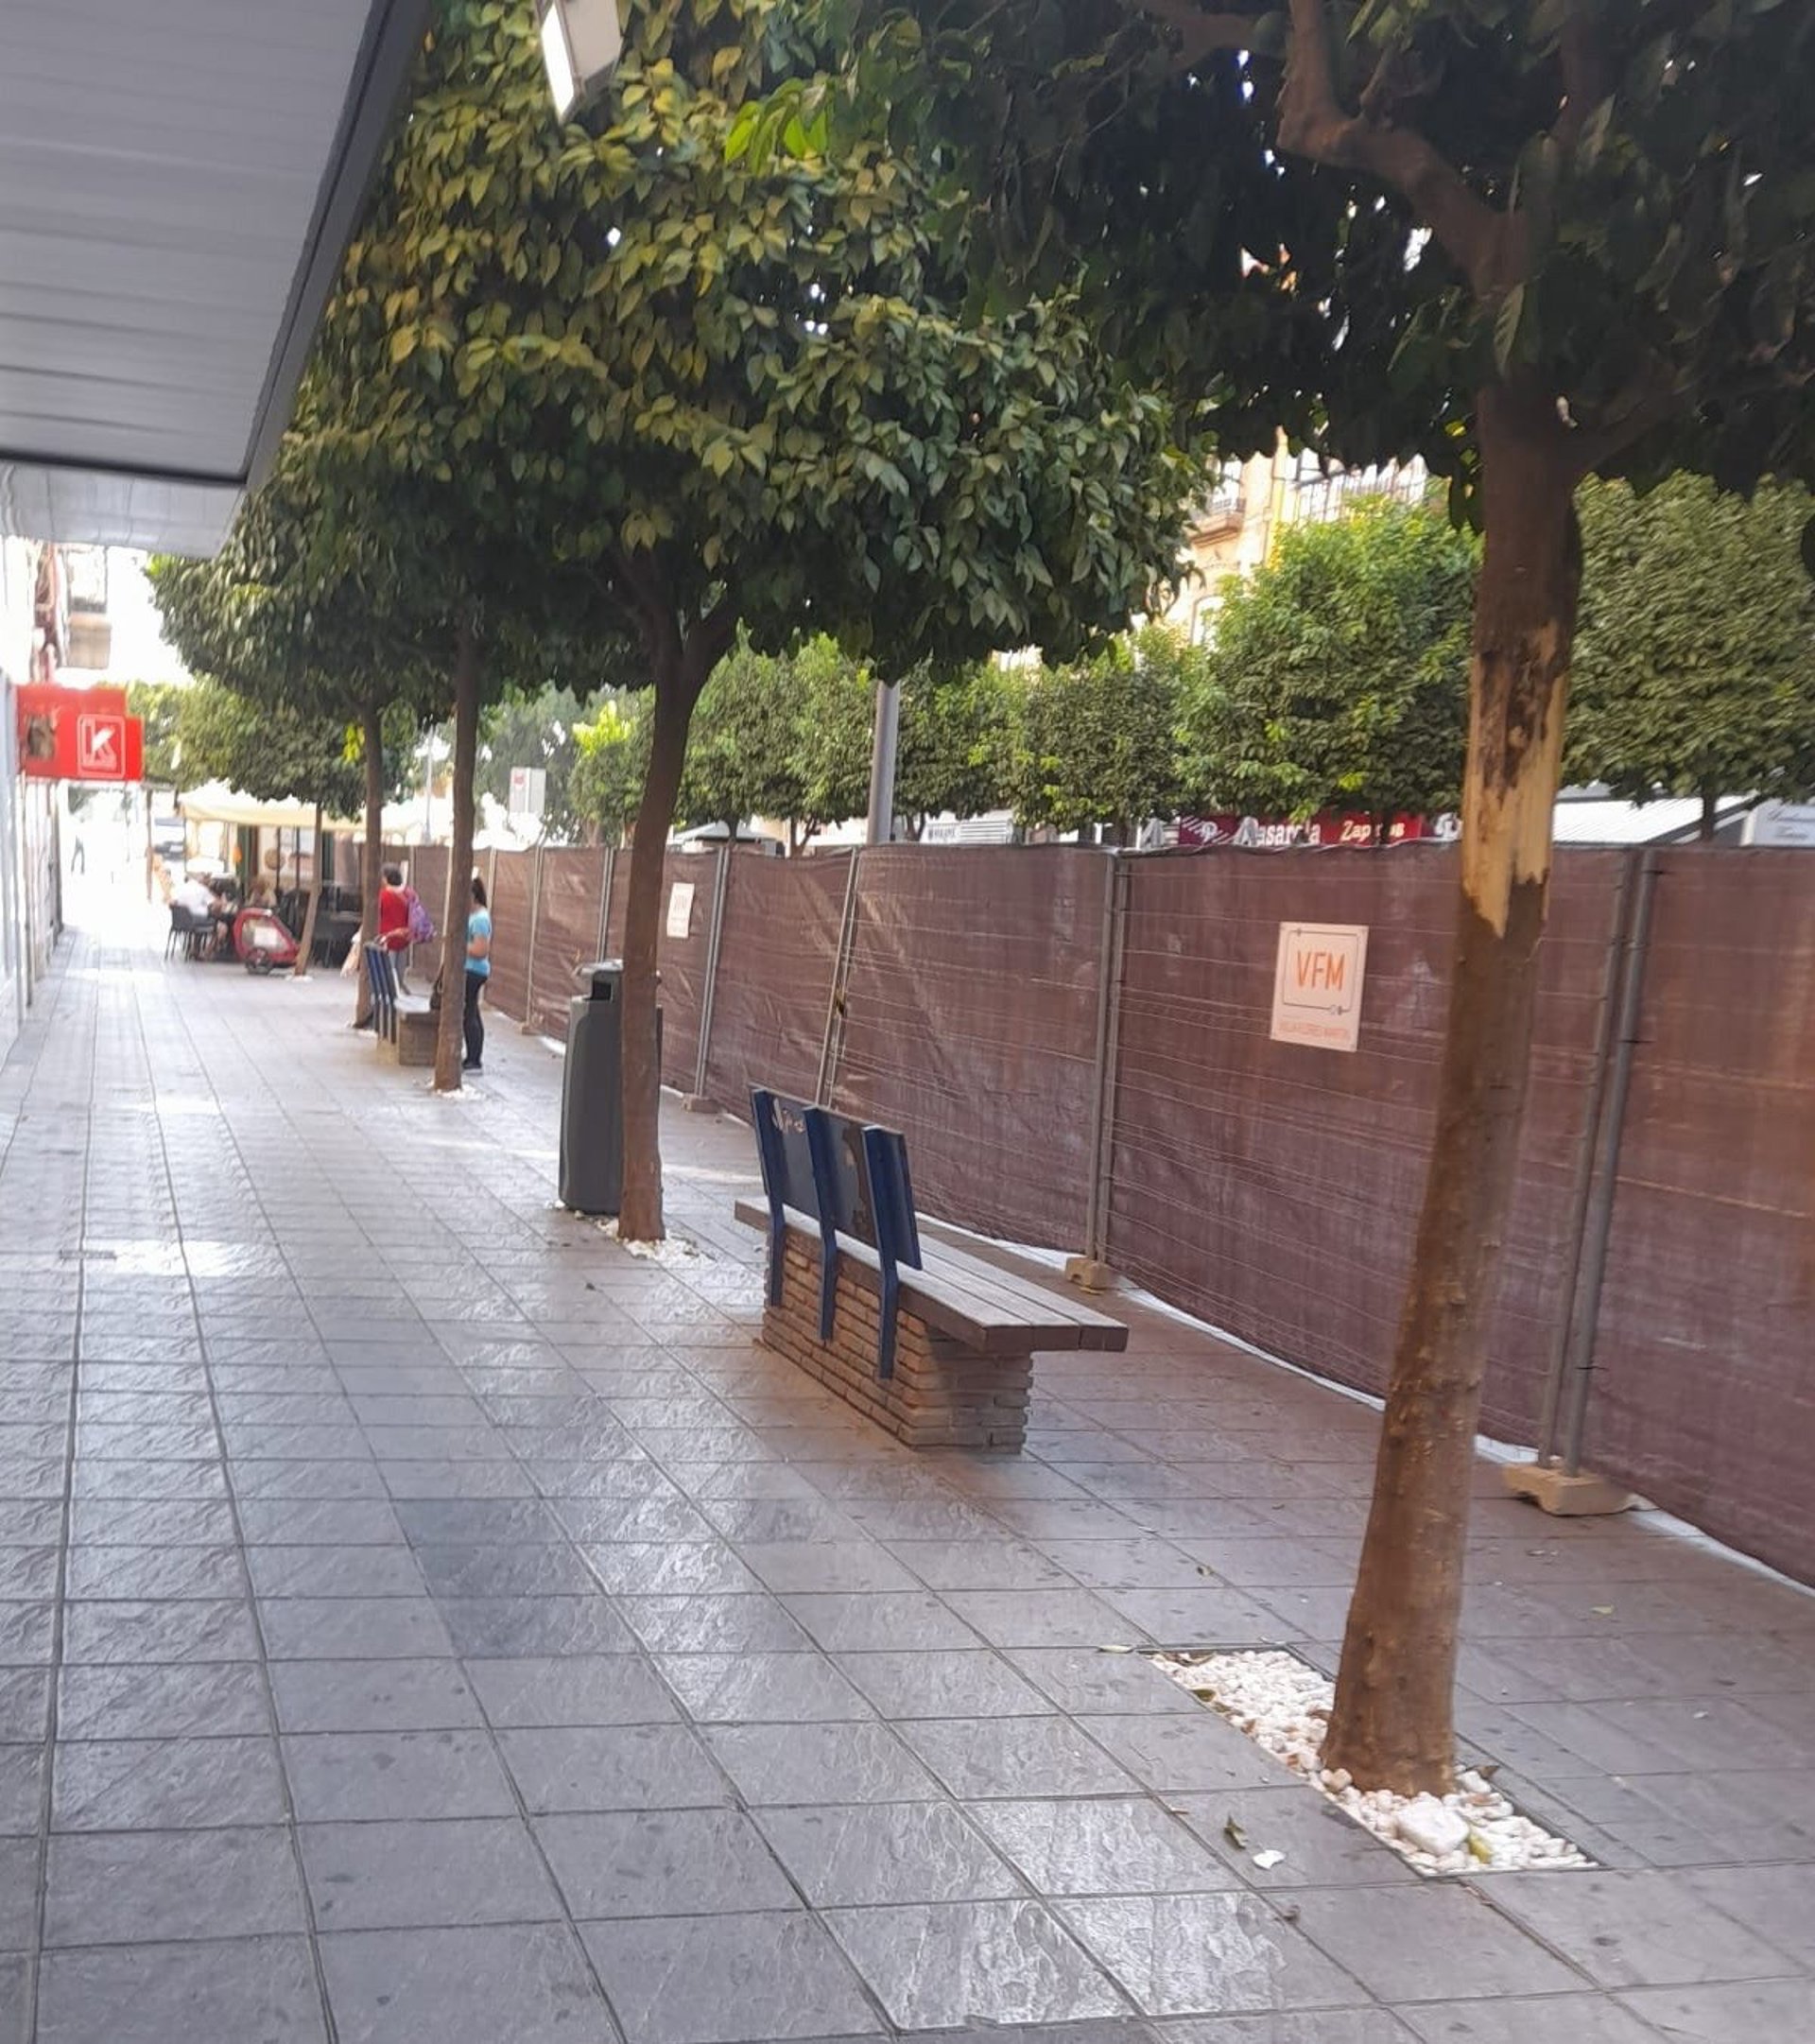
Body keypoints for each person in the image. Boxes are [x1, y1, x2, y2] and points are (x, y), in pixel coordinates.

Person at [462, 875, 492, 1073]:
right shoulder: (474, 915)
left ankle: (474, 1058)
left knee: (469, 1013)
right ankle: (473, 1056)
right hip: (469, 968)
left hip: (474, 970)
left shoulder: (480, 919)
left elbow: (481, 950)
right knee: (471, 1011)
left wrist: (459, 944)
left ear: (472, 895)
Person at [377, 863, 411, 991]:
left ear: (386, 878)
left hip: (387, 939)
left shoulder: (383, 895)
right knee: (398, 975)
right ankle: (398, 991)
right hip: (404, 938)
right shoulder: (407, 895)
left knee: (387, 975)